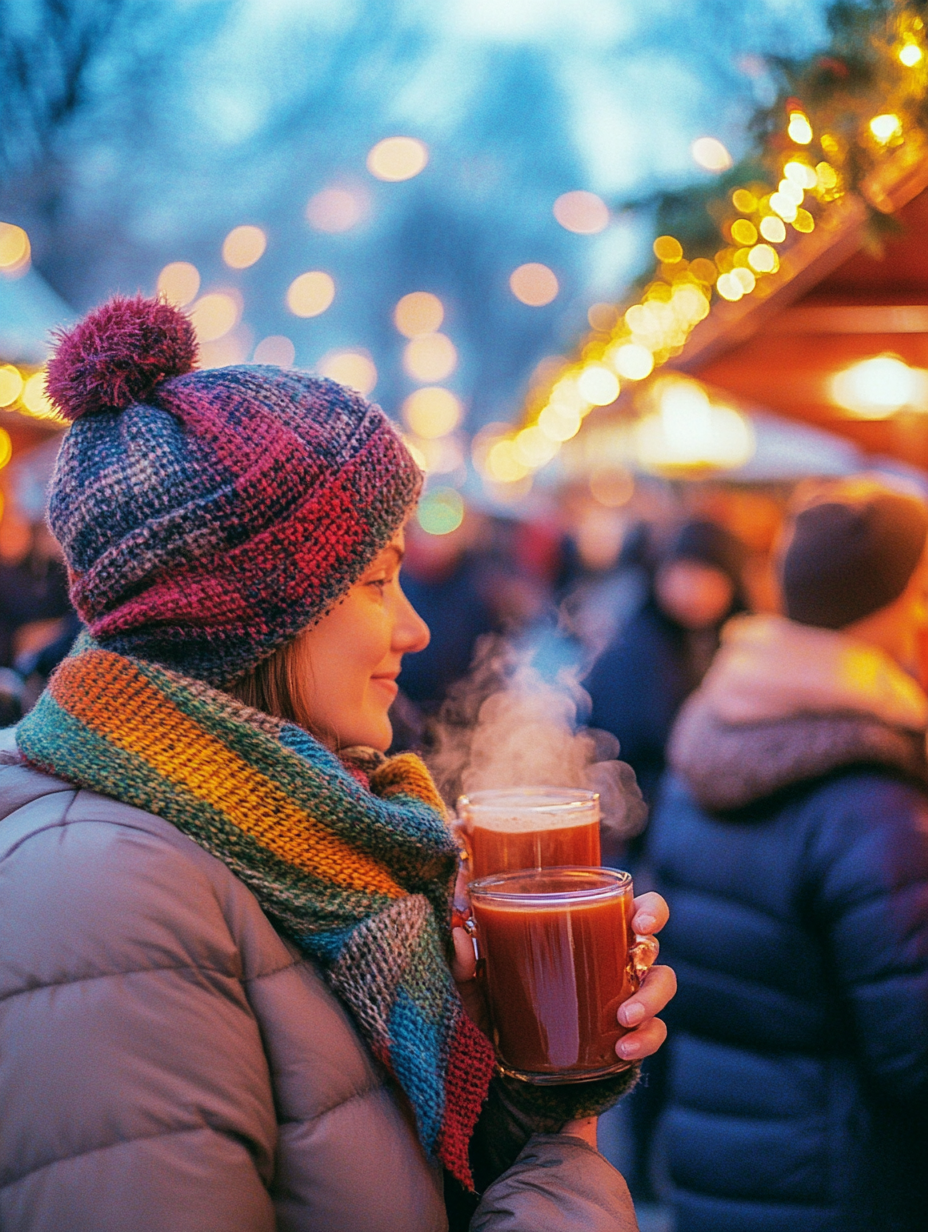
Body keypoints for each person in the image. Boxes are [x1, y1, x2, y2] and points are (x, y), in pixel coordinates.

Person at [0, 295, 676, 1232]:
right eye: (374, 580)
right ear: (245, 611)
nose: (415, 626)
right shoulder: (109, 896)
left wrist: (526, 1071)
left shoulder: (302, 835)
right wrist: (570, 1174)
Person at [649, 478, 928, 1232]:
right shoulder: (868, 792)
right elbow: (915, 1050)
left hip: (715, 1163)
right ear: (896, 603)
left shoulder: (715, 724)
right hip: (840, 1183)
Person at [585, 517, 746, 806]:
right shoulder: (632, 647)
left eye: (707, 575)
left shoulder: (743, 641)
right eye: (683, 573)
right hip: (647, 805)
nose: (693, 589)